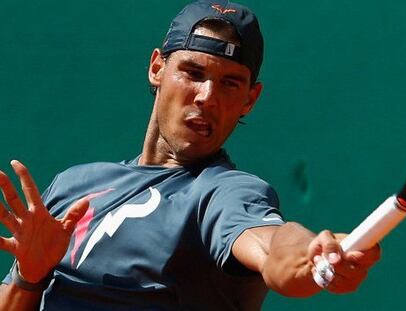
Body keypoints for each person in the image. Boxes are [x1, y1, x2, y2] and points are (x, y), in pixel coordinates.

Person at [0, 0, 380, 310]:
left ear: (250, 99)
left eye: (230, 83)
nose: (207, 97)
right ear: (157, 69)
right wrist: (28, 275)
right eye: (193, 73)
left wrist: (310, 256)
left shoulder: (225, 193)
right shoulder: (74, 186)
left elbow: (270, 245)